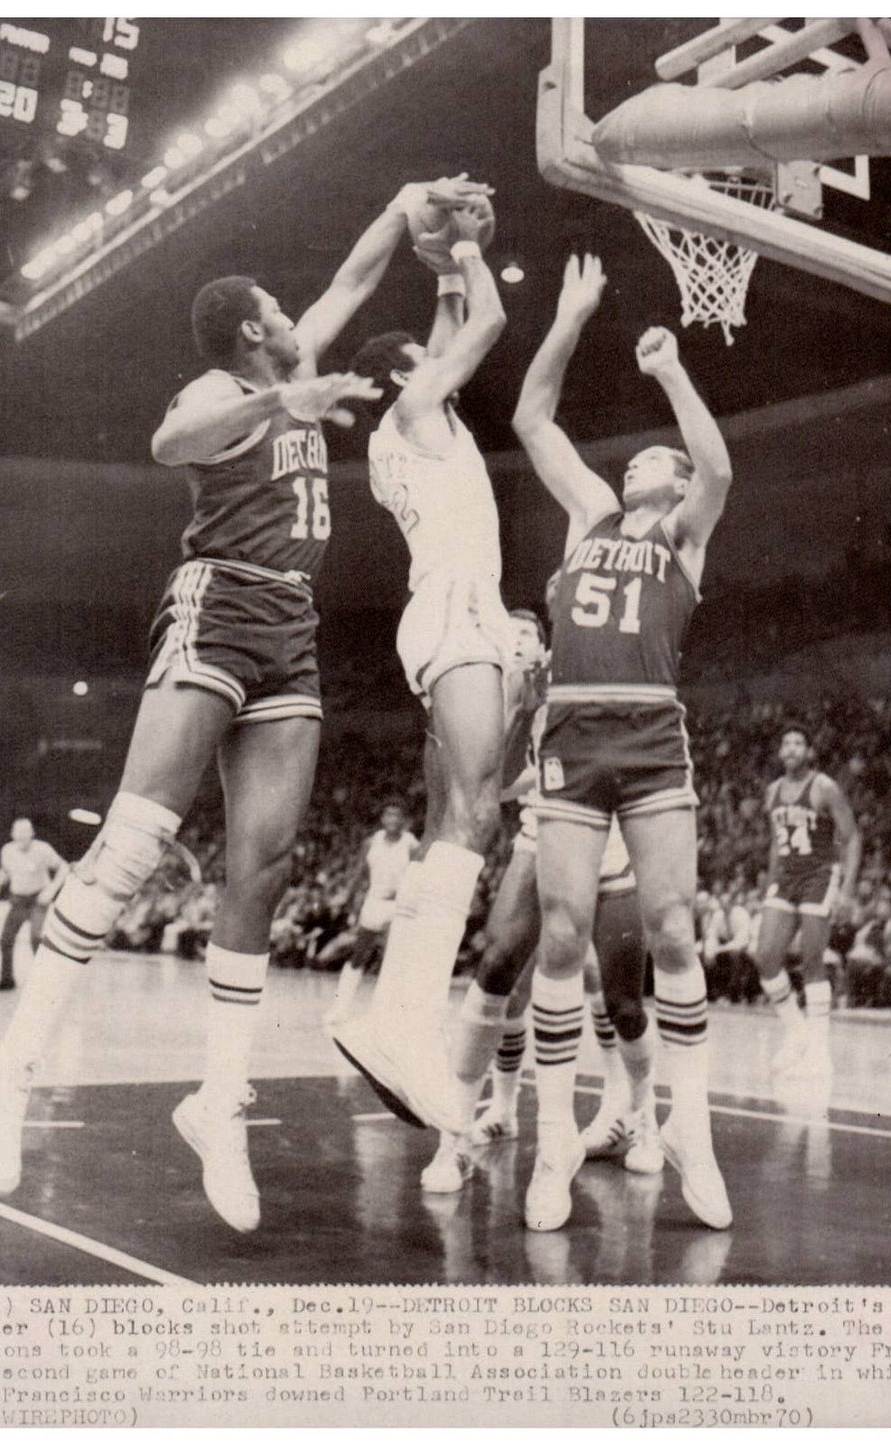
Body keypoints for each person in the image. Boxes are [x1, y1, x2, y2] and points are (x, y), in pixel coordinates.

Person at [0, 175, 490, 1234]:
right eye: (279, 313)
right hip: (219, 603)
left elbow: (355, 275)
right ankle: (9, 1068)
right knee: (132, 844)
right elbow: (169, 447)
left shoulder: (298, 357)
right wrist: (274, 405)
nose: (299, 317)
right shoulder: (216, 389)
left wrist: (404, 204)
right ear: (252, 331)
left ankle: (219, 1101)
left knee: (263, 865)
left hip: (291, 624)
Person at [511, 254, 735, 1233]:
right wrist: (567, 317)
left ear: (673, 483)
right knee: (562, 936)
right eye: (639, 455)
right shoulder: (587, 514)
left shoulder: (683, 532)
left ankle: (693, 1131)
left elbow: (718, 468)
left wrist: (670, 372)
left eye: (656, 456)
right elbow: (531, 419)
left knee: (673, 929)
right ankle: (552, 1141)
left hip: (648, 730)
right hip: (571, 727)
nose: (641, 458)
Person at [333, 193, 511, 1132]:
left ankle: (394, 1023)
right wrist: (472, 253)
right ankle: (403, 1026)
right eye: (422, 357)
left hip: (440, 611)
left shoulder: (397, 430)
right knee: (475, 811)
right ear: (405, 372)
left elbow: (446, 330)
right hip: (457, 607)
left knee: (453, 821)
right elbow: (487, 323)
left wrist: (440, 268)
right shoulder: (412, 405)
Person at [421, 610, 658, 1192]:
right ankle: (454, 1136)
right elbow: (501, 784)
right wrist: (517, 707)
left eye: (525, 633)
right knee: (497, 963)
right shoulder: (515, 693)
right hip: (543, 829)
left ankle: (642, 1118)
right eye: (509, 635)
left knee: (624, 1002)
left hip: (608, 836)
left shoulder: (601, 668)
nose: (515, 640)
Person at [753, 725, 861, 1077]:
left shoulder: (824, 787)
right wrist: (770, 883)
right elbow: (776, 842)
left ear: (809, 751)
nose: (791, 748)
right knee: (765, 957)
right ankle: (797, 1032)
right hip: (785, 878)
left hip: (818, 876)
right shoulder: (772, 792)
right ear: (779, 751)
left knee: (812, 961)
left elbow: (852, 837)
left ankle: (818, 1053)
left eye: (798, 743)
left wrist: (846, 891)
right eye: (786, 743)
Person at [323, 802, 417, 1027]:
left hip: (400, 906)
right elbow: (359, 873)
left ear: (404, 820)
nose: (392, 819)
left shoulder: (411, 844)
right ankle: (339, 1008)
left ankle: (391, 1014)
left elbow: (418, 877)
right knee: (359, 955)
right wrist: (348, 898)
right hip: (375, 901)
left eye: (397, 815)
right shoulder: (371, 842)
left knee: (396, 958)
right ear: (382, 818)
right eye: (388, 814)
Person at [0, 819, 67, 991]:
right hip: (18, 900)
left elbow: (64, 867)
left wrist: (51, 890)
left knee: (36, 938)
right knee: (5, 939)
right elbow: (5, 870)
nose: (21, 836)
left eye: (25, 832)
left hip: (38, 899)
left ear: (32, 833)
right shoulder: (7, 850)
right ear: (12, 834)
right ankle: (7, 980)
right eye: (18, 832)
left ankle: (45, 982)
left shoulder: (42, 849)